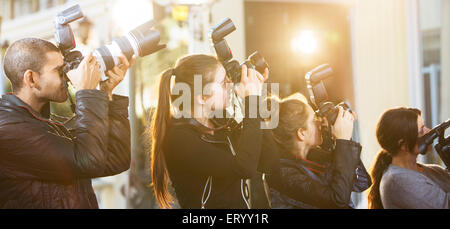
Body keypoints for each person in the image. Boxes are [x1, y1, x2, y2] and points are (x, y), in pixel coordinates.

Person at [0, 38, 134, 208]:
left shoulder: (49, 125)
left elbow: (116, 159)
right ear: (31, 78)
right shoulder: (9, 130)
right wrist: (87, 93)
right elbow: (89, 162)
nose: (69, 78)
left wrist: (107, 94)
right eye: (59, 71)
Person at [149, 54, 269, 209]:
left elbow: (267, 158)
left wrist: (256, 94)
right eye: (223, 82)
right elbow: (244, 167)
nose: (230, 84)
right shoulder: (179, 138)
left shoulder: (219, 120)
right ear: (203, 98)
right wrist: (251, 101)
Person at [266, 93, 370, 209]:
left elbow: (361, 182)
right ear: (301, 133)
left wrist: (339, 137)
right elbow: (336, 201)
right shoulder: (282, 174)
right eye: (313, 120)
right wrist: (343, 142)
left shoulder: (314, 156)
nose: (319, 122)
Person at [368, 107, 450, 209]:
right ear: (404, 145)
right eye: (421, 130)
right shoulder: (398, 181)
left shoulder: (433, 170)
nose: (428, 131)